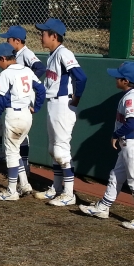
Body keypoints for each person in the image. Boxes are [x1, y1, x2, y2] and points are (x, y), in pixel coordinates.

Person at [79, 62, 134, 230]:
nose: (115, 79)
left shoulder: (131, 98)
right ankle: (103, 207)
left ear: (126, 81)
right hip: (130, 144)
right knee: (116, 176)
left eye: (118, 77)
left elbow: (132, 123)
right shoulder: (133, 96)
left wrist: (115, 134)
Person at [33, 18, 87, 206]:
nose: (41, 36)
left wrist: (76, 98)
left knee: (61, 150)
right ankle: (56, 188)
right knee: (53, 149)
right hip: (53, 103)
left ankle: (69, 194)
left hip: (63, 104)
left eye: (43, 33)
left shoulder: (64, 53)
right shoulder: (52, 54)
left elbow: (81, 77)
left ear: (54, 36)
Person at [0, 43, 45, 201]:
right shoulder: (27, 70)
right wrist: (37, 107)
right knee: (16, 150)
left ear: (3, 58)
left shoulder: (6, 74)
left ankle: (11, 191)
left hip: (14, 116)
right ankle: (25, 184)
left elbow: (0, 100)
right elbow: (41, 90)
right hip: (27, 115)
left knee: (11, 153)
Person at [1, 25, 47, 173]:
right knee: (18, 134)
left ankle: (24, 165)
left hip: (24, 98)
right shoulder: (16, 53)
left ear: (17, 40)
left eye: (8, 39)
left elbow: (40, 67)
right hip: (19, 98)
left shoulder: (26, 53)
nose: (7, 42)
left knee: (21, 133)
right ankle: (20, 167)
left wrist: (27, 81)